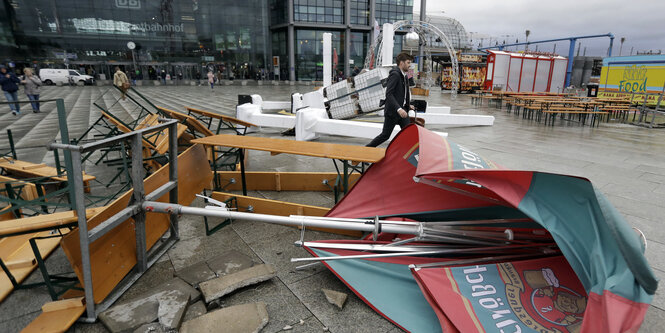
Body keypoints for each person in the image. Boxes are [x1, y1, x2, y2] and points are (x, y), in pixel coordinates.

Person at [366, 53, 415, 147]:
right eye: (408, 62)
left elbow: (402, 93)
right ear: (401, 63)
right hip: (393, 112)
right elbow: (389, 94)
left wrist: (407, 105)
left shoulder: (404, 75)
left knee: (408, 134)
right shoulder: (395, 75)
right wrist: (398, 109)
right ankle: (366, 150)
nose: (410, 65)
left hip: (403, 111)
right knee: (385, 135)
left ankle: (407, 156)